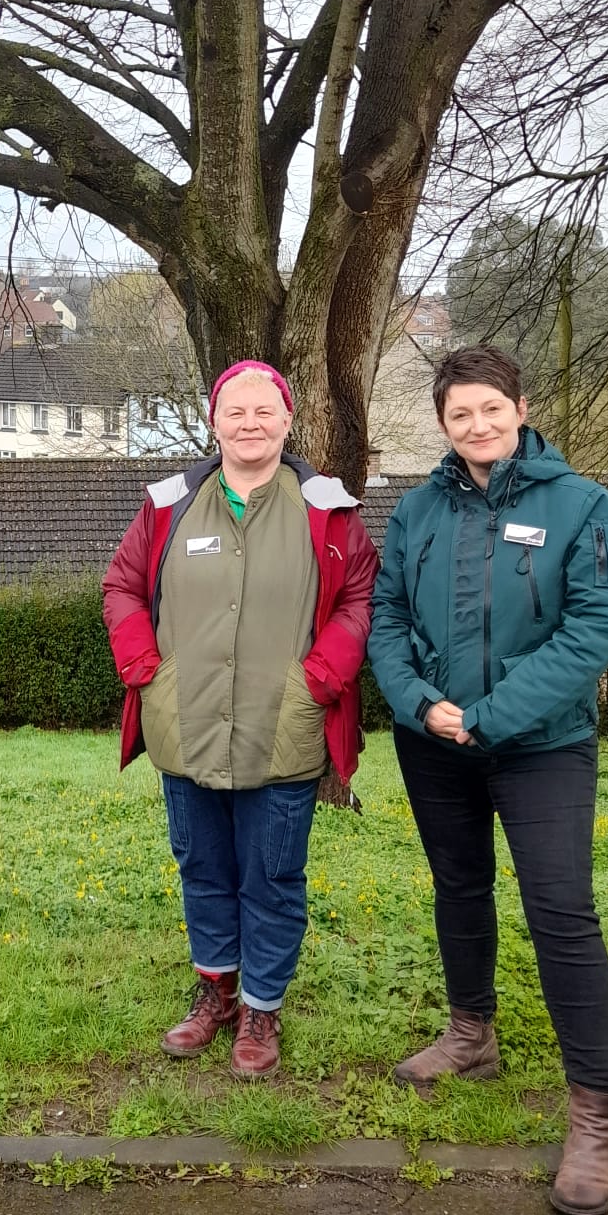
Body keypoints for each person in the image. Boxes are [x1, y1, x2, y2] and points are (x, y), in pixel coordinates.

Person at [367, 345, 608, 1215]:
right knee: (459, 888)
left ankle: (594, 1113)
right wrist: (420, 704)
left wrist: (490, 713)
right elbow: (389, 618)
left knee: (561, 911)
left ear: (521, 406)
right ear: (442, 425)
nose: (478, 426)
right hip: (435, 740)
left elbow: (592, 631)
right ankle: (471, 1035)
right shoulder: (416, 510)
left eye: (491, 408)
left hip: (543, 745)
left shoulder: (582, 505)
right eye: (459, 415)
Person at [102, 360, 377, 1079]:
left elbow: (359, 599)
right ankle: (215, 993)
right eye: (236, 411)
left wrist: (321, 678)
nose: (250, 423)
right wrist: (143, 670)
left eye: (265, 411)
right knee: (203, 868)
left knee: (272, 875)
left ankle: (261, 1007)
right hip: (184, 724)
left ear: (288, 421)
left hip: (282, 728)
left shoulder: (326, 507)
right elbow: (123, 586)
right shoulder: (169, 505)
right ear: (214, 420)